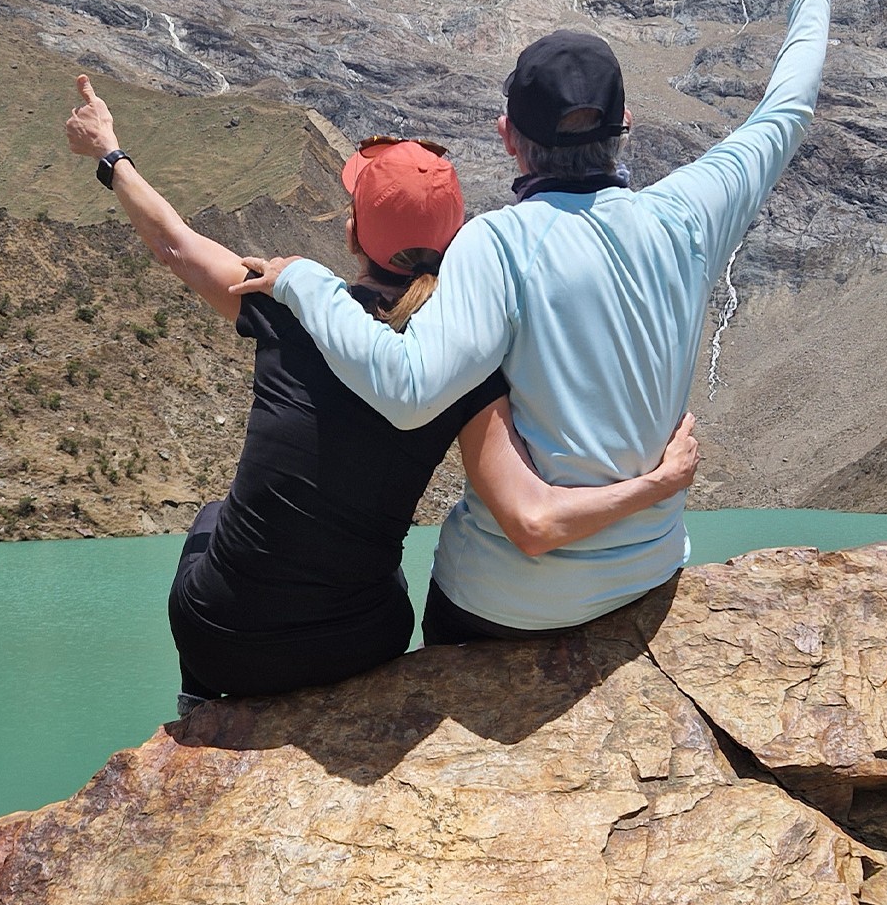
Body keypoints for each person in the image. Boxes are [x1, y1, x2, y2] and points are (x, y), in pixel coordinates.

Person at [231, 0, 836, 644]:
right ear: (625, 125)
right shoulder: (690, 213)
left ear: (507, 136)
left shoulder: (496, 242)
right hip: (645, 576)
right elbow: (785, 109)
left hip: (508, 604)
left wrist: (304, 281)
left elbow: (407, 391)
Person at [61, 76, 701, 712]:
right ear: (455, 241)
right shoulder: (469, 365)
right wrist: (656, 483)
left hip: (227, 639)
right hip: (365, 641)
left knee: (210, 521)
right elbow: (531, 512)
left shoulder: (282, 305)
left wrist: (110, 155)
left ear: (353, 232)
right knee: (380, 571)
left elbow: (174, 243)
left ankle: (202, 708)